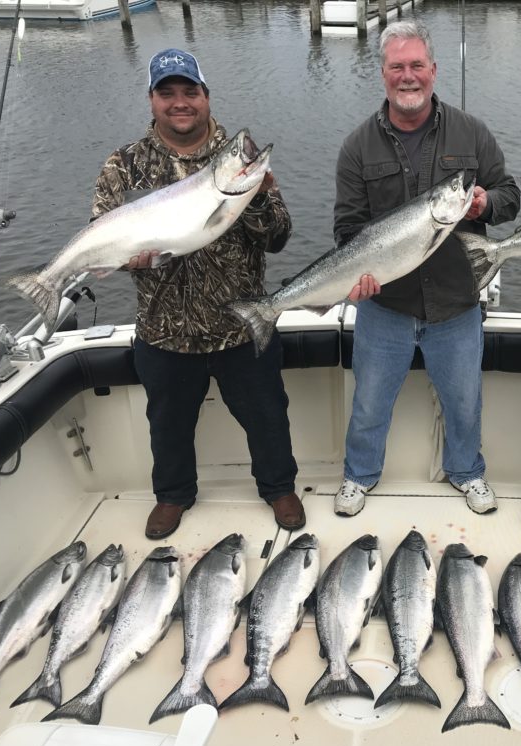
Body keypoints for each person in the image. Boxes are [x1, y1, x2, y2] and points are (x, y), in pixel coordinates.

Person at [93, 48, 304, 539]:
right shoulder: (124, 166)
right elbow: (103, 236)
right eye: (167, 93)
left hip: (240, 322)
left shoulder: (238, 158)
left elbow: (278, 237)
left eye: (190, 91)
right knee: (167, 425)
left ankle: (278, 486)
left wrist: (256, 196)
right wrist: (129, 256)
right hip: (163, 330)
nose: (180, 102)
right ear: (152, 100)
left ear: (207, 96)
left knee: (268, 415)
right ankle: (172, 495)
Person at [333, 21, 520, 517]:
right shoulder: (357, 147)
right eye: (398, 67)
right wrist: (359, 275)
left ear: (434, 71)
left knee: (464, 403)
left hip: (457, 303)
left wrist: (484, 205)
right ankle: (359, 476)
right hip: (385, 305)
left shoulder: (472, 132)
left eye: (417, 65)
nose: (408, 76)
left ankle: (467, 471)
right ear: (383, 74)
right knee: (369, 405)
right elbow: (347, 231)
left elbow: (510, 195)